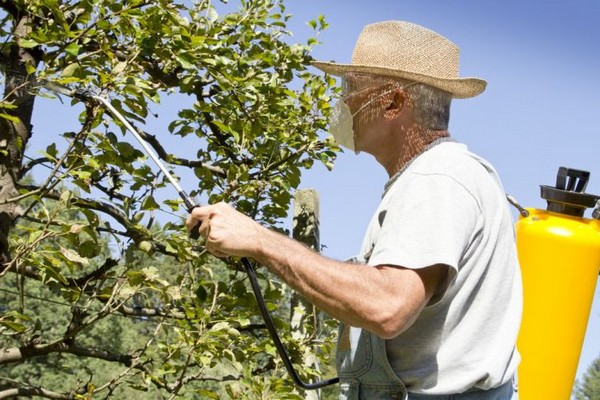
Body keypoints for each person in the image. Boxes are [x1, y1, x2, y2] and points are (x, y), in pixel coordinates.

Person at [187, 20, 522, 400]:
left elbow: (387, 306)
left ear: (393, 103)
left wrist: (259, 241)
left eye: (352, 89)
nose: (343, 103)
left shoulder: (437, 178)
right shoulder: (439, 176)